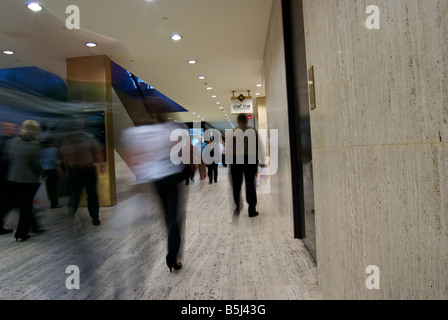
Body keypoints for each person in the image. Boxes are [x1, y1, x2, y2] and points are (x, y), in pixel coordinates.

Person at [121, 115, 187, 273]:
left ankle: (171, 250)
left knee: (166, 215)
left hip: (157, 179)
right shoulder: (172, 129)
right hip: (172, 176)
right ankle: (172, 257)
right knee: (174, 218)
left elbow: (135, 157)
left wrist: (133, 182)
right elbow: (184, 151)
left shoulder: (141, 132)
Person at [0, 120, 44, 241]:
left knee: (15, 204)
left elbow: (6, 158)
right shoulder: (35, 144)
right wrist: (42, 172)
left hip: (12, 178)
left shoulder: (11, 142)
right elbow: (34, 163)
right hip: (29, 180)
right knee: (26, 206)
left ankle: (26, 231)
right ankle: (22, 233)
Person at [61, 118, 105, 226]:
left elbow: (97, 150)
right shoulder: (68, 139)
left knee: (92, 194)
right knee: (75, 194)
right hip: (76, 170)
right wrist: (66, 170)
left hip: (89, 169)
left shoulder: (89, 137)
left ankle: (95, 217)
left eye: (81, 123)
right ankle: (71, 214)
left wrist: (101, 164)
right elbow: (65, 155)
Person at [229, 114, 264, 218]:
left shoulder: (233, 132)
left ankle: (237, 206)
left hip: (236, 160)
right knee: (250, 184)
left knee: (236, 184)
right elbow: (259, 146)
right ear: (246, 121)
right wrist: (262, 160)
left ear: (238, 120)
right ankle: (251, 209)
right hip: (250, 159)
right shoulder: (253, 131)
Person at [0, 122, 19, 235]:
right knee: (7, 203)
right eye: (13, 129)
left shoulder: (5, 142)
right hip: (6, 178)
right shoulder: (8, 143)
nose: (15, 131)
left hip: (6, 178)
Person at [40, 124, 62, 209]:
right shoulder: (54, 148)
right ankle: (54, 203)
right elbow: (56, 158)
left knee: (49, 187)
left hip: (45, 168)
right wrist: (59, 167)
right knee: (53, 186)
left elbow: (40, 159)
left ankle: (52, 202)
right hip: (52, 168)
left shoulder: (42, 148)